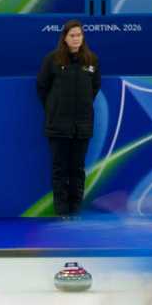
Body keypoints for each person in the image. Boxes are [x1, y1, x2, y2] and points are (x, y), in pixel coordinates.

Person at [36, 19, 100, 218]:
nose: (76, 39)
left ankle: (75, 209)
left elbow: (94, 88)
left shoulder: (91, 60)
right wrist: (54, 109)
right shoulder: (52, 60)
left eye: (79, 35)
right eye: (72, 35)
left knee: (77, 169)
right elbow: (42, 87)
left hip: (82, 126)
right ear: (64, 38)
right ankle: (61, 210)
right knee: (60, 169)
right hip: (58, 125)